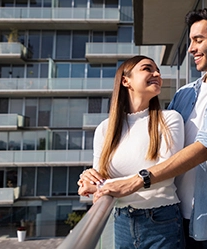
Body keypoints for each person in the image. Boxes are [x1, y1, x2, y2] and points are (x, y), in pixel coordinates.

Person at [91, 5, 207, 248]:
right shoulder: (183, 94)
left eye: (199, 40)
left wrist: (135, 181)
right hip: (172, 220)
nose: (192, 48)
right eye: (191, 41)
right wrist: (95, 175)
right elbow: (153, 146)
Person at [78, 55, 185, 249]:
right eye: (147, 68)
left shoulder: (169, 119)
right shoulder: (105, 129)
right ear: (126, 81)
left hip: (162, 221)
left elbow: (167, 174)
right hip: (122, 220)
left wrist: (100, 186)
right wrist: (88, 178)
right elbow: (99, 180)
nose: (157, 74)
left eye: (158, 70)